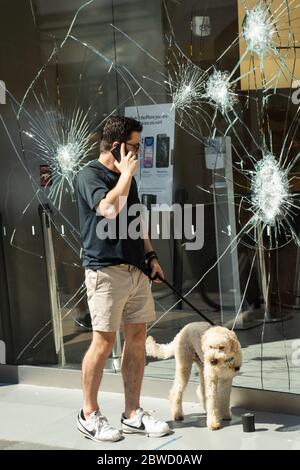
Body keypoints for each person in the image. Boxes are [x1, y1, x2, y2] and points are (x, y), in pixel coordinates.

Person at [75, 116, 170, 442]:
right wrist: (125, 176)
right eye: (133, 145)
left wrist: (151, 256)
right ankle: (88, 413)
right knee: (102, 344)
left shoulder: (127, 177)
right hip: (105, 271)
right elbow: (108, 209)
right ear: (116, 146)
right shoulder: (89, 175)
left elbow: (135, 218)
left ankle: (132, 413)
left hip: (135, 270)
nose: (138, 152)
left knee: (137, 338)